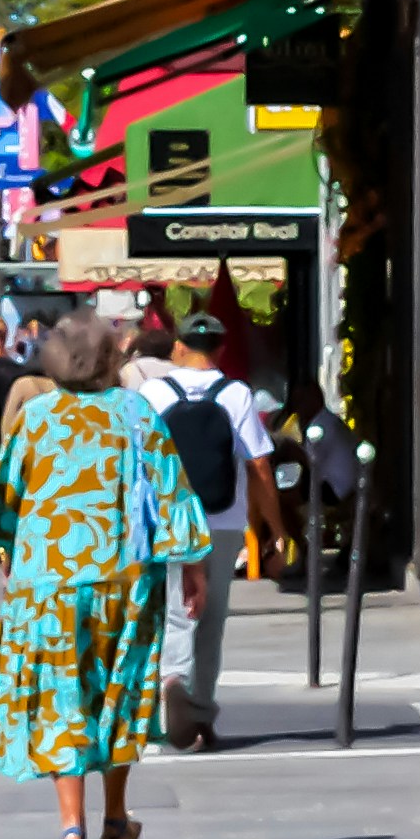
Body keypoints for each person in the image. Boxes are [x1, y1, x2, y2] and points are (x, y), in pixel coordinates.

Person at [0, 294, 188, 839]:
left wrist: (2, 545)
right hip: (125, 576)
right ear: (111, 358)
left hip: (50, 579)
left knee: (63, 696)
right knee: (117, 692)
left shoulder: (36, 418)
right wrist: (195, 567)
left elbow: (2, 500)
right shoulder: (136, 413)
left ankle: (70, 834)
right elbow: (172, 494)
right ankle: (115, 819)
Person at [147, 314, 253, 749]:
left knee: (172, 611)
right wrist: (277, 528)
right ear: (221, 349)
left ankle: (171, 682)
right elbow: (258, 461)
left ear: (178, 347)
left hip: (168, 520)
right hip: (223, 518)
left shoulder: (153, 393)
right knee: (212, 618)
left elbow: (138, 459)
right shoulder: (236, 393)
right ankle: (203, 715)